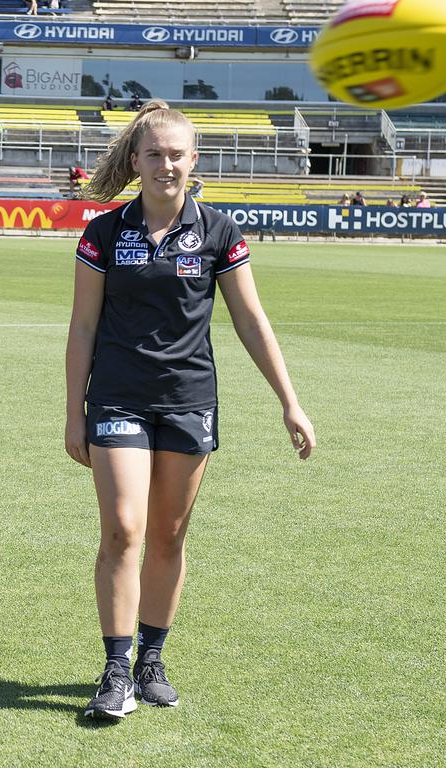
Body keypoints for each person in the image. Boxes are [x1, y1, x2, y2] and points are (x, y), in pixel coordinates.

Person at [67, 101, 315, 722]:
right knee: (124, 528)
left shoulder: (219, 232)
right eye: (154, 154)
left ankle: (152, 658)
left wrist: (290, 402)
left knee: (169, 535)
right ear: (135, 161)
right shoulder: (103, 232)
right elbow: (83, 324)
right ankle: (116, 668)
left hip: (187, 401)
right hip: (119, 399)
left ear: (194, 160)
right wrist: (75, 412)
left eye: (177, 154)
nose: (166, 165)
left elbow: (251, 320)